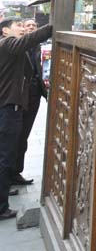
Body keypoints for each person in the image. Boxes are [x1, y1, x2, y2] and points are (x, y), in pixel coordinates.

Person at [0, 18, 53, 219]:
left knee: (6, 154)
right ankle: (1, 207)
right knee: (5, 156)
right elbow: (26, 42)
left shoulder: (10, 47)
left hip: (9, 108)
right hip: (8, 110)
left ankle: (3, 193)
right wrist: (51, 27)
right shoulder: (7, 43)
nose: (23, 29)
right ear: (5, 30)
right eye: (19, 27)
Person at [13, 19, 49, 186]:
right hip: (19, 99)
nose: (29, 28)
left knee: (24, 136)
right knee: (15, 136)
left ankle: (15, 172)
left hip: (34, 96)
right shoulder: (16, 46)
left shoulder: (40, 48)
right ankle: (9, 175)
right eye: (26, 26)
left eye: (33, 26)